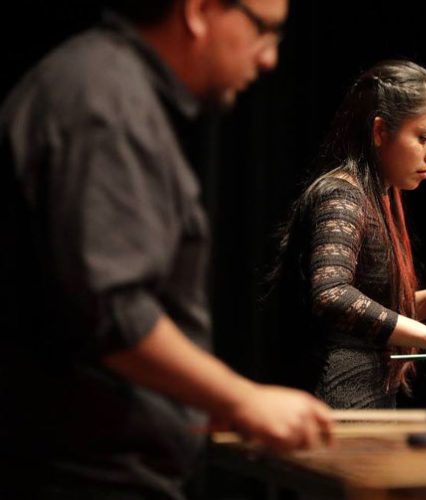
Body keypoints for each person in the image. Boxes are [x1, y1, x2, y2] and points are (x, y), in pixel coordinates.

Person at [0, 0, 333, 498]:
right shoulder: (106, 101)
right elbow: (113, 311)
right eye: (265, 30)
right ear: (198, 11)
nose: (270, 59)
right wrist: (242, 399)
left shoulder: (110, 88)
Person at [269, 60, 426, 409]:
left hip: (365, 399)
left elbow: (372, 315)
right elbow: (332, 296)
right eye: (423, 138)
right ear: (380, 131)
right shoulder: (342, 195)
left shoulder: (377, 196)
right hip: (335, 404)